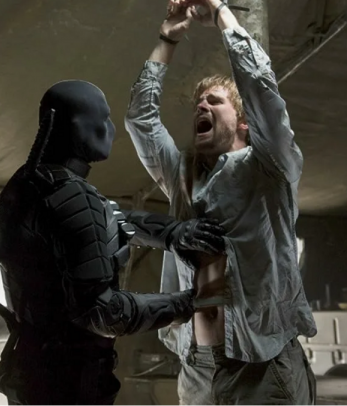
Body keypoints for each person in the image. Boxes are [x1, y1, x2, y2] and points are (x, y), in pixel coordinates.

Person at [0, 80, 227, 405]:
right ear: (79, 126)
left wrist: (174, 232)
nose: (111, 129)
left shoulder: (27, 185)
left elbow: (104, 218)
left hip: (33, 369)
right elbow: (105, 313)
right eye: (103, 118)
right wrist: (187, 303)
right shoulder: (68, 194)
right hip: (69, 383)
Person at [124, 0, 317, 404]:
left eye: (215, 101)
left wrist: (220, 13)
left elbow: (260, 91)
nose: (202, 105)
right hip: (197, 367)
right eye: (199, 103)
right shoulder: (181, 174)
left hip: (262, 365)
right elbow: (140, 119)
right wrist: (166, 39)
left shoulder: (270, 167)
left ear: (244, 122)